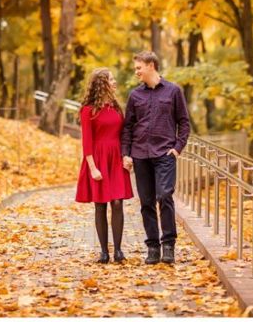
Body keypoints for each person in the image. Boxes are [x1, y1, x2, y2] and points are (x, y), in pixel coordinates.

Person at [122, 52, 190, 266]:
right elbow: (128, 127)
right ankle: (153, 246)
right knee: (146, 203)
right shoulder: (135, 96)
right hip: (140, 155)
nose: (136, 72)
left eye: (139, 67)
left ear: (151, 66)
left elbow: (184, 122)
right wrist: (126, 153)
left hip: (164, 154)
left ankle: (168, 244)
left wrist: (177, 148)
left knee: (165, 196)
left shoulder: (173, 91)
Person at [75, 68, 133, 265]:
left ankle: (118, 250)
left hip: (116, 158)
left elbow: (124, 133)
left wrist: (126, 156)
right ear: (102, 84)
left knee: (117, 203)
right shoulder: (88, 110)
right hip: (98, 159)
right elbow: (87, 142)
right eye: (112, 79)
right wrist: (93, 168)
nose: (115, 82)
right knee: (100, 205)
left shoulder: (116, 107)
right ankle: (103, 251)